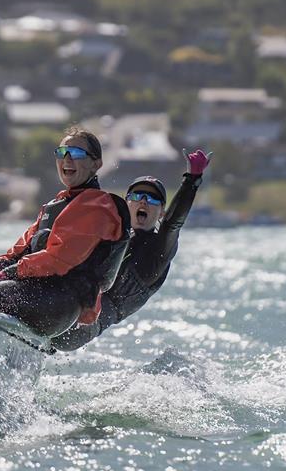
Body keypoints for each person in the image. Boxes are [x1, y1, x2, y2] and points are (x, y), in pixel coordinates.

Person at [0, 127, 132, 338]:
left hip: (59, 301)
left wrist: (4, 275)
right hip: (32, 290)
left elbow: (58, 260)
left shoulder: (99, 206)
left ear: (96, 164)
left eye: (76, 154)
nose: (67, 159)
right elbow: (18, 252)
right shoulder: (55, 205)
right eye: (61, 153)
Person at [51, 149, 212, 351]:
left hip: (83, 325)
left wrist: (192, 180)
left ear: (161, 211)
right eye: (137, 196)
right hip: (66, 298)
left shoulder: (159, 251)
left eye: (153, 199)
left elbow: (172, 225)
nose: (144, 201)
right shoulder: (111, 235)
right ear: (126, 203)